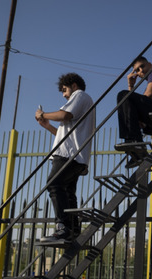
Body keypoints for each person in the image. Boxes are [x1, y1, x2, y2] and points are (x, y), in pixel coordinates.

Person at [36, 73, 95, 243]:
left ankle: (63, 227)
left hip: (68, 155)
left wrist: (43, 114)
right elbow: (64, 133)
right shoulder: (82, 101)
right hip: (74, 154)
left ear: (74, 85)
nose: (64, 94)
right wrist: (47, 126)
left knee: (54, 184)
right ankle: (73, 229)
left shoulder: (80, 96)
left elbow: (64, 115)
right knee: (68, 192)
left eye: (64, 89)